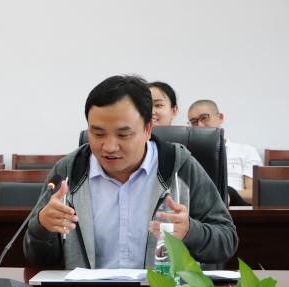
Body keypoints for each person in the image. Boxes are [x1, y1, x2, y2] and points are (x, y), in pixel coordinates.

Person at [23, 75, 237, 270]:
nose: (109, 147)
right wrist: (42, 227)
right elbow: (37, 258)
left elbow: (227, 241)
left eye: (123, 135)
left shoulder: (180, 167)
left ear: (147, 129)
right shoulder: (68, 171)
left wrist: (191, 231)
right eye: (98, 134)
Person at [188, 99, 262, 204]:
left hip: (235, 206)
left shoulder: (246, 151)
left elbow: (254, 194)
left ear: (220, 118)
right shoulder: (187, 155)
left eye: (204, 118)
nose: (199, 125)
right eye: (194, 122)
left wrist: (226, 194)